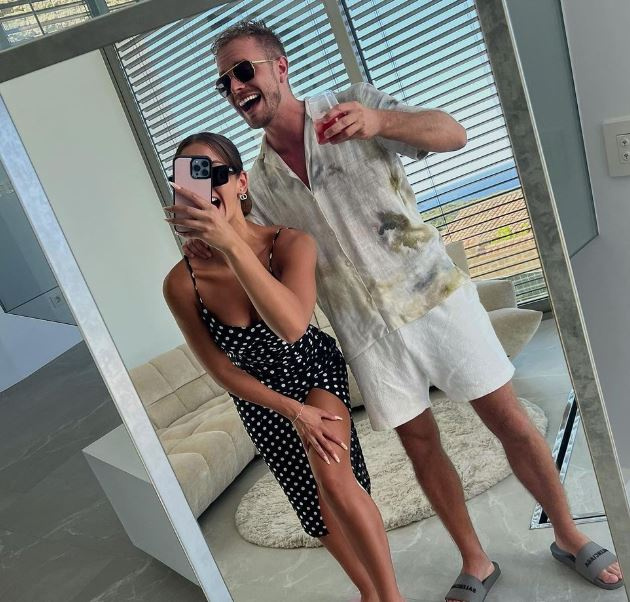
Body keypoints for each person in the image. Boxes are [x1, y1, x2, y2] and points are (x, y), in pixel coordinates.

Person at [182, 20, 624, 601]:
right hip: (364, 331)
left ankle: (568, 534)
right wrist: (206, 240)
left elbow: (453, 133)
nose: (236, 87)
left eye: (244, 71)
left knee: (509, 420)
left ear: (280, 67)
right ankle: (475, 560)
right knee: (420, 445)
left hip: (436, 297)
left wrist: (379, 122)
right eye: (224, 83)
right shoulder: (259, 182)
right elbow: (257, 248)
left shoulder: (351, 105)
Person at [163, 132, 406, 602]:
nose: (203, 187)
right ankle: (369, 593)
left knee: (334, 477)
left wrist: (231, 245)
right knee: (315, 509)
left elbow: (293, 327)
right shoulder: (182, 282)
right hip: (259, 398)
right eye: (189, 179)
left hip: (312, 369)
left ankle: (392, 598)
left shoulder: (290, 243)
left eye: (213, 173)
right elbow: (222, 370)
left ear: (241, 183)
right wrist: (292, 412)